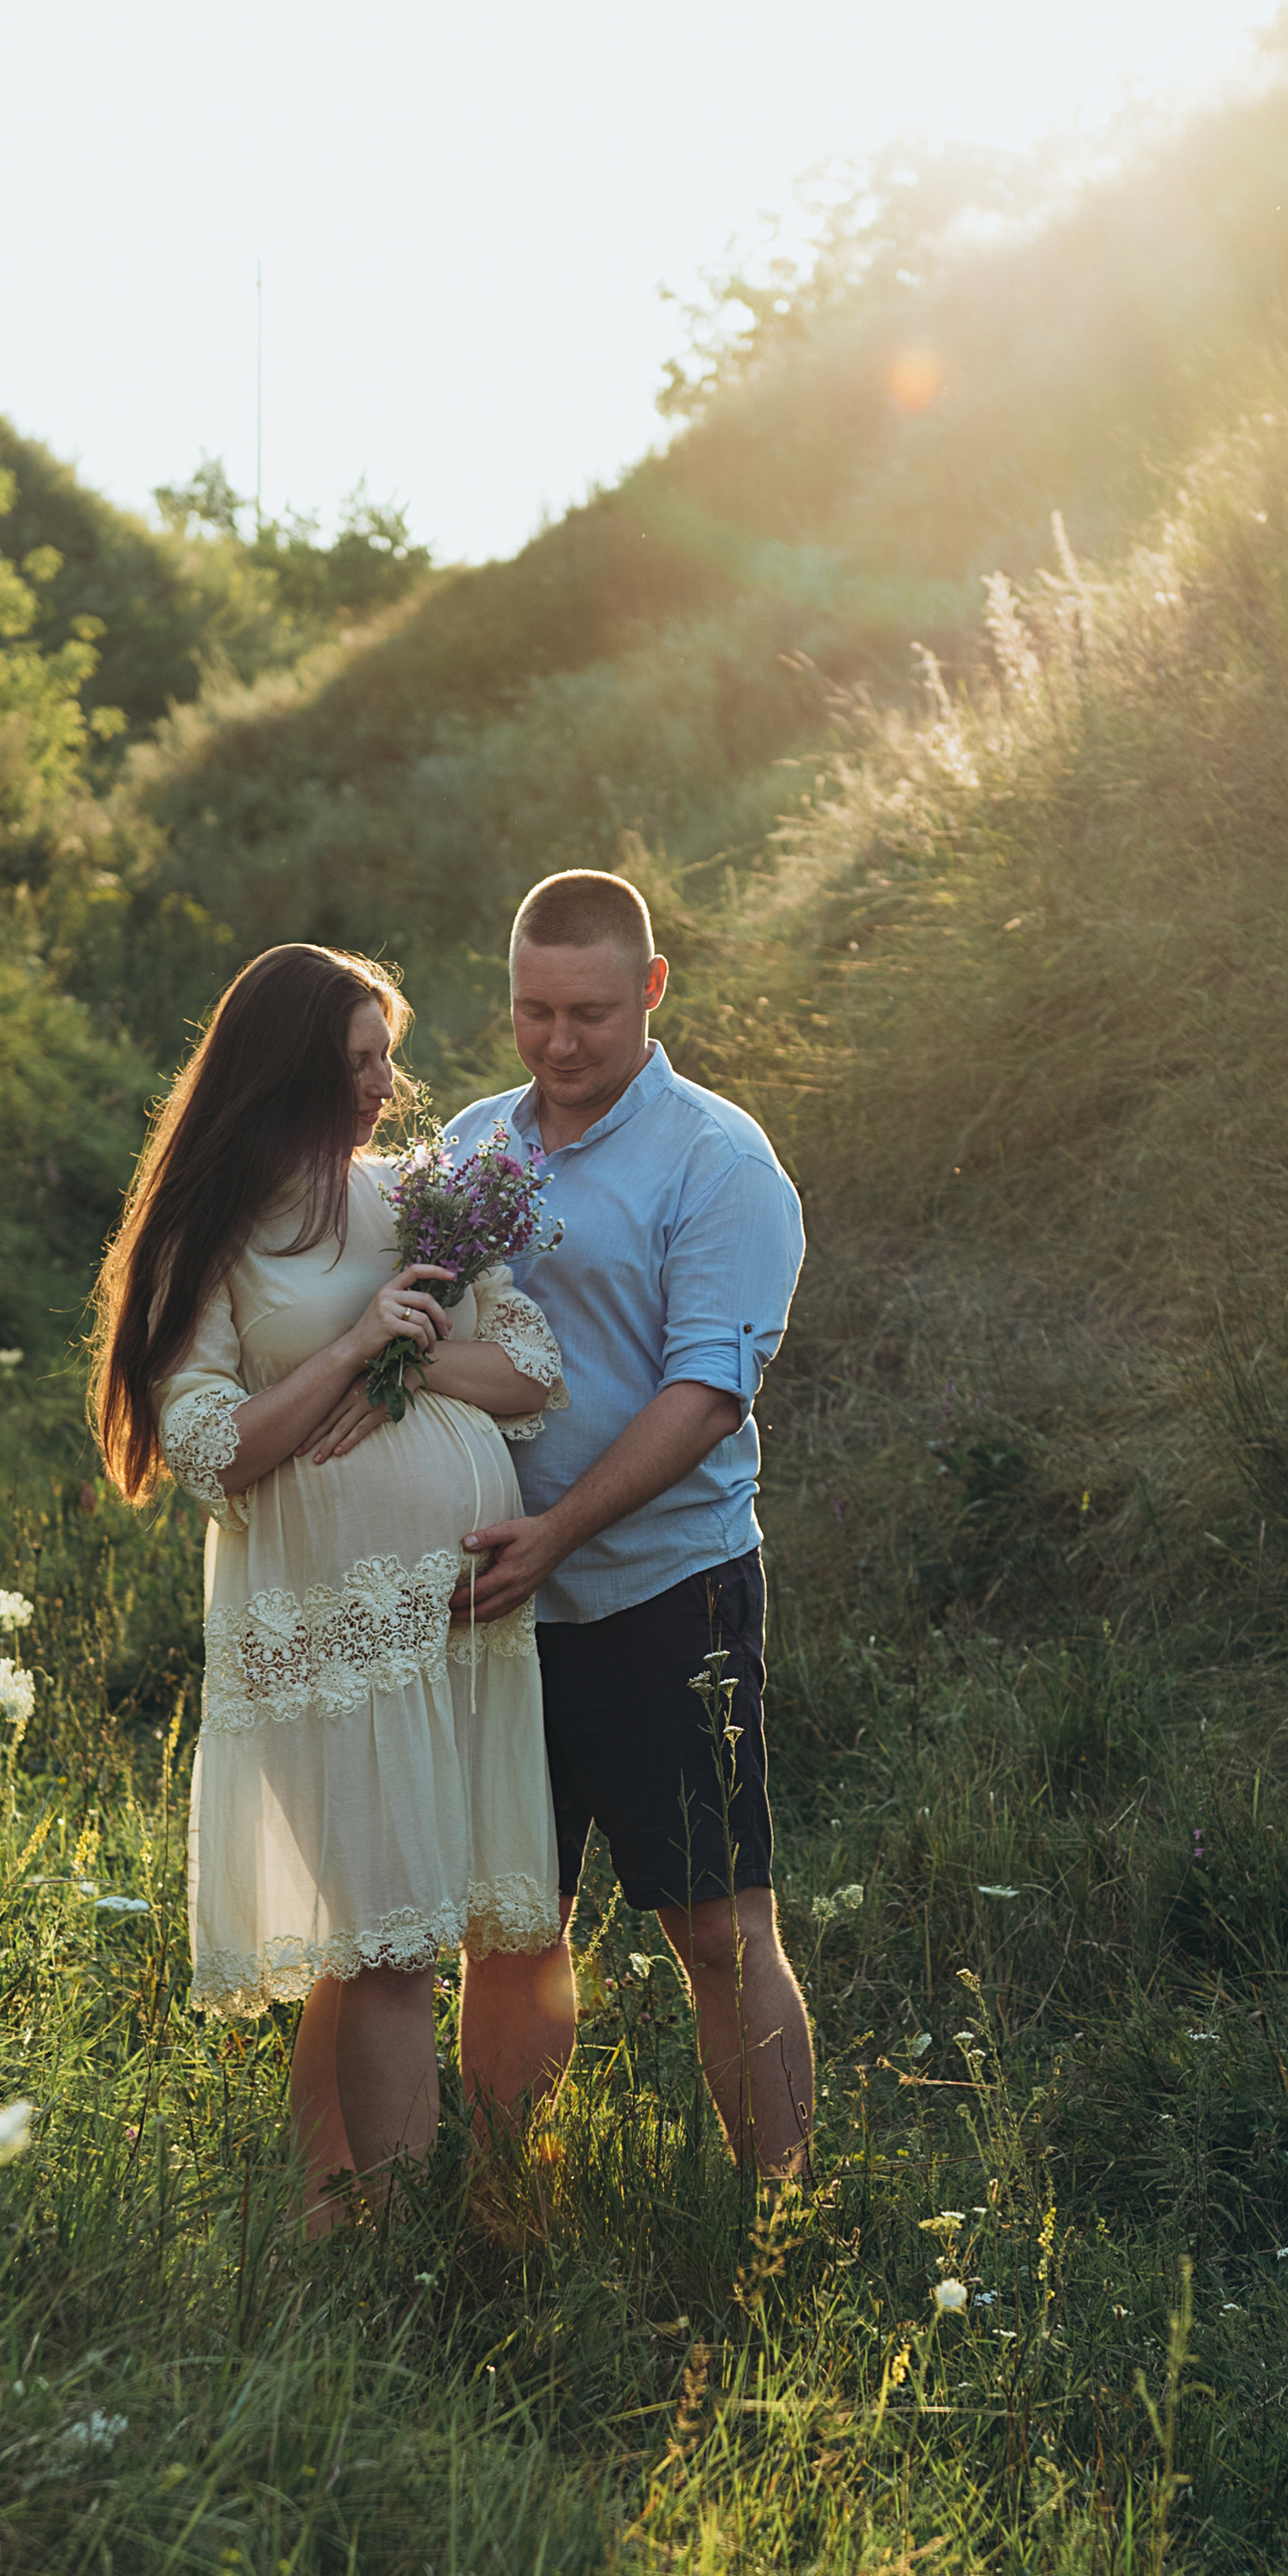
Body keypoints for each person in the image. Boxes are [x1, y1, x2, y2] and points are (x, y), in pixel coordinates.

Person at [88, 942, 568, 2226]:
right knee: (396, 1943)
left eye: (386, 1058)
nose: (385, 1086)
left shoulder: (417, 1196)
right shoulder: (215, 1223)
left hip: (453, 1630)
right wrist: (358, 1343)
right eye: (360, 1063)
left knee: (373, 1947)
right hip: (329, 1632)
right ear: (296, 1067)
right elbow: (210, 1449)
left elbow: (526, 1371)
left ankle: (329, 2221)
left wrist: (394, 1372)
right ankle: (412, 2253)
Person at [448, 869, 812, 2174]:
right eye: (532, 1009)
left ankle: (778, 2218)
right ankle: (491, 2207)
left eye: (591, 1012)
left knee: (715, 1929)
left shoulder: (719, 1159)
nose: (558, 1041)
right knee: (509, 1926)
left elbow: (708, 1392)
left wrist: (563, 1533)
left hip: (668, 1594)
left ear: (652, 989)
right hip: (496, 1602)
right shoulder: (474, 1143)